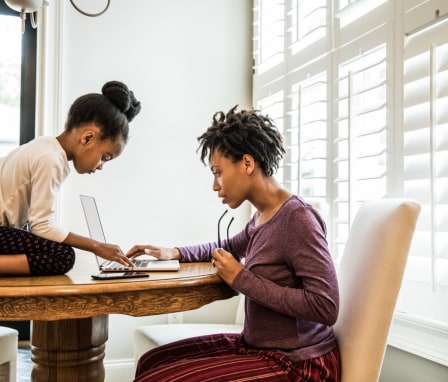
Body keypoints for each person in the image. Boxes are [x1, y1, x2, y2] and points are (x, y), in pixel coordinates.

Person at [127, 106, 340, 382]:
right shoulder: (262, 216)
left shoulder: (298, 219)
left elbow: (326, 306)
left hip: (300, 363)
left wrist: (242, 279)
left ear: (247, 164)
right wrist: (175, 252)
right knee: (151, 361)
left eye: (218, 172)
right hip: (258, 347)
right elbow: (227, 246)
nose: (215, 186)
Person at [0, 80, 141, 276]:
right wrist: (96, 246)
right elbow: (42, 226)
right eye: (104, 157)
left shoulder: (45, 146)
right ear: (88, 138)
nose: (101, 166)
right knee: (63, 256)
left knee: (47, 245)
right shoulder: (51, 159)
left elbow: (37, 224)